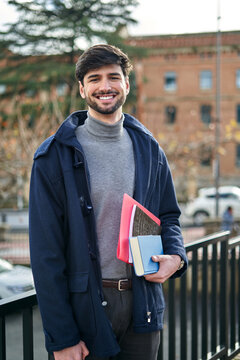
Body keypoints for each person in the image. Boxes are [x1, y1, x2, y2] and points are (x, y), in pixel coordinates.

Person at [29, 44, 188, 360]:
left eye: (113, 77)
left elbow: (169, 216)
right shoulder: (53, 157)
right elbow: (46, 254)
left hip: (144, 307)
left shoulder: (150, 149)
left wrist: (177, 257)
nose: (105, 86)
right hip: (85, 308)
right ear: (82, 88)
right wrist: (62, 339)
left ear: (126, 84)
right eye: (94, 78)